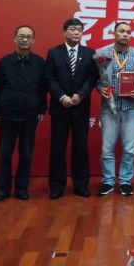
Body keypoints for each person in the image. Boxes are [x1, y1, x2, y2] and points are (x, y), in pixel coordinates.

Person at [0, 25, 47, 201]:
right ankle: (3, 189)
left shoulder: (39, 62)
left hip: (30, 114)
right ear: (14, 38)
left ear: (33, 40)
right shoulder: (4, 62)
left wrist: (41, 109)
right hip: (7, 113)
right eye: (21, 36)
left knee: (26, 154)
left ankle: (22, 188)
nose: (25, 39)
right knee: (5, 154)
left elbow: (43, 89)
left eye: (28, 37)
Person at [46, 18, 97, 199]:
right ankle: (57, 186)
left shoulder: (90, 53)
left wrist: (80, 95)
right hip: (60, 107)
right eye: (73, 29)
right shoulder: (54, 53)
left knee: (80, 146)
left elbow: (92, 78)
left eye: (79, 30)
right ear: (64, 32)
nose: (76, 32)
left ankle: (81, 185)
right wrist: (62, 97)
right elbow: (49, 78)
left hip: (80, 107)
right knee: (57, 147)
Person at [96, 22, 134, 196]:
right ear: (114, 33)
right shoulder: (102, 54)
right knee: (107, 149)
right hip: (109, 107)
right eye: (121, 31)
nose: (125, 34)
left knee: (129, 149)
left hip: (130, 108)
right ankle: (108, 181)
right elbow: (96, 78)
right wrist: (99, 88)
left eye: (128, 32)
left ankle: (125, 181)